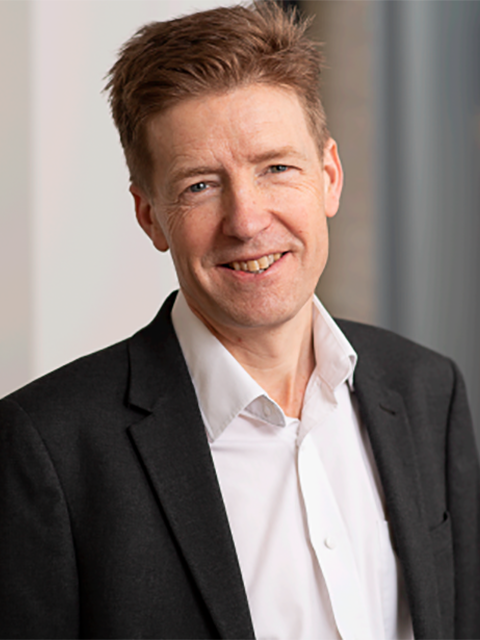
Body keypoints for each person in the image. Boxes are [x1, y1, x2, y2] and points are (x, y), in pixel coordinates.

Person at [0, 2, 478, 639]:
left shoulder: (427, 390)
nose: (248, 221)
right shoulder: (48, 448)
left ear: (329, 177)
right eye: (200, 185)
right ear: (149, 217)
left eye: (277, 168)